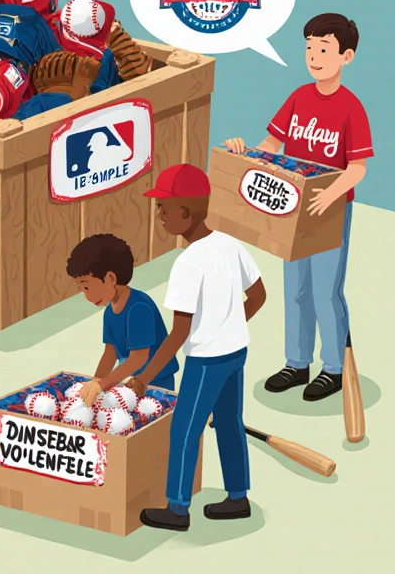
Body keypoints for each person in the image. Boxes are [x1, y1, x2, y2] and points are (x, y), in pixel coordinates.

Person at [225, 13, 372, 401]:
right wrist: (246, 151)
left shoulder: (351, 107)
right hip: (292, 208)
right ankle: (297, 363)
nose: (314, 56)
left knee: (326, 291)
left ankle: (334, 369)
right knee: (296, 289)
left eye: (324, 49)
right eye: (309, 48)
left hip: (330, 211)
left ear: (346, 56)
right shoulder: (298, 97)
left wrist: (330, 193)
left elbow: (358, 168)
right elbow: (271, 146)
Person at [132, 164, 267, 531]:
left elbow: (178, 334)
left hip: (206, 361)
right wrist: (230, 325)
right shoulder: (229, 244)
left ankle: (177, 509)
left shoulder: (188, 262)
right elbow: (259, 295)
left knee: (185, 430)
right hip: (236, 353)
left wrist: (144, 378)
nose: (159, 215)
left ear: (185, 212)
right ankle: (238, 497)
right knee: (229, 423)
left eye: (163, 208)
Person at [65, 233, 180, 410]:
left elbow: (139, 358)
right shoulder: (109, 312)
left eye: (87, 287)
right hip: (128, 384)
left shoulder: (139, 308)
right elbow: (110, 353)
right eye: (81, 289)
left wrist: (102, 384)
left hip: (155, 382)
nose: (86, 296)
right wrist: (94, 383)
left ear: (111, 278)